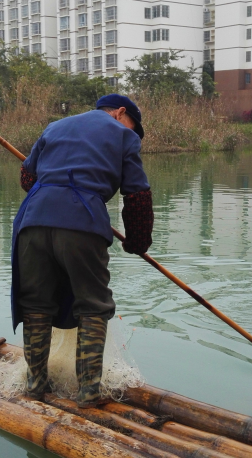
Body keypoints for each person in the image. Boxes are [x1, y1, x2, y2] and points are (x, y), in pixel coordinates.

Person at [10, 94, 153, 407]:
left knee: (36, 304)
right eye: (133, 125)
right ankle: (88, 392)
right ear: (120, 113)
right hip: (81, 222)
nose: (133, 132)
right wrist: (137, 240)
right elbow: (137, 195)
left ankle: (36, 384)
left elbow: (26, 178)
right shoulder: (123, 136)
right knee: (92, 305)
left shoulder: (55, 126)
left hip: (32, 222)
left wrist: (54, 180)